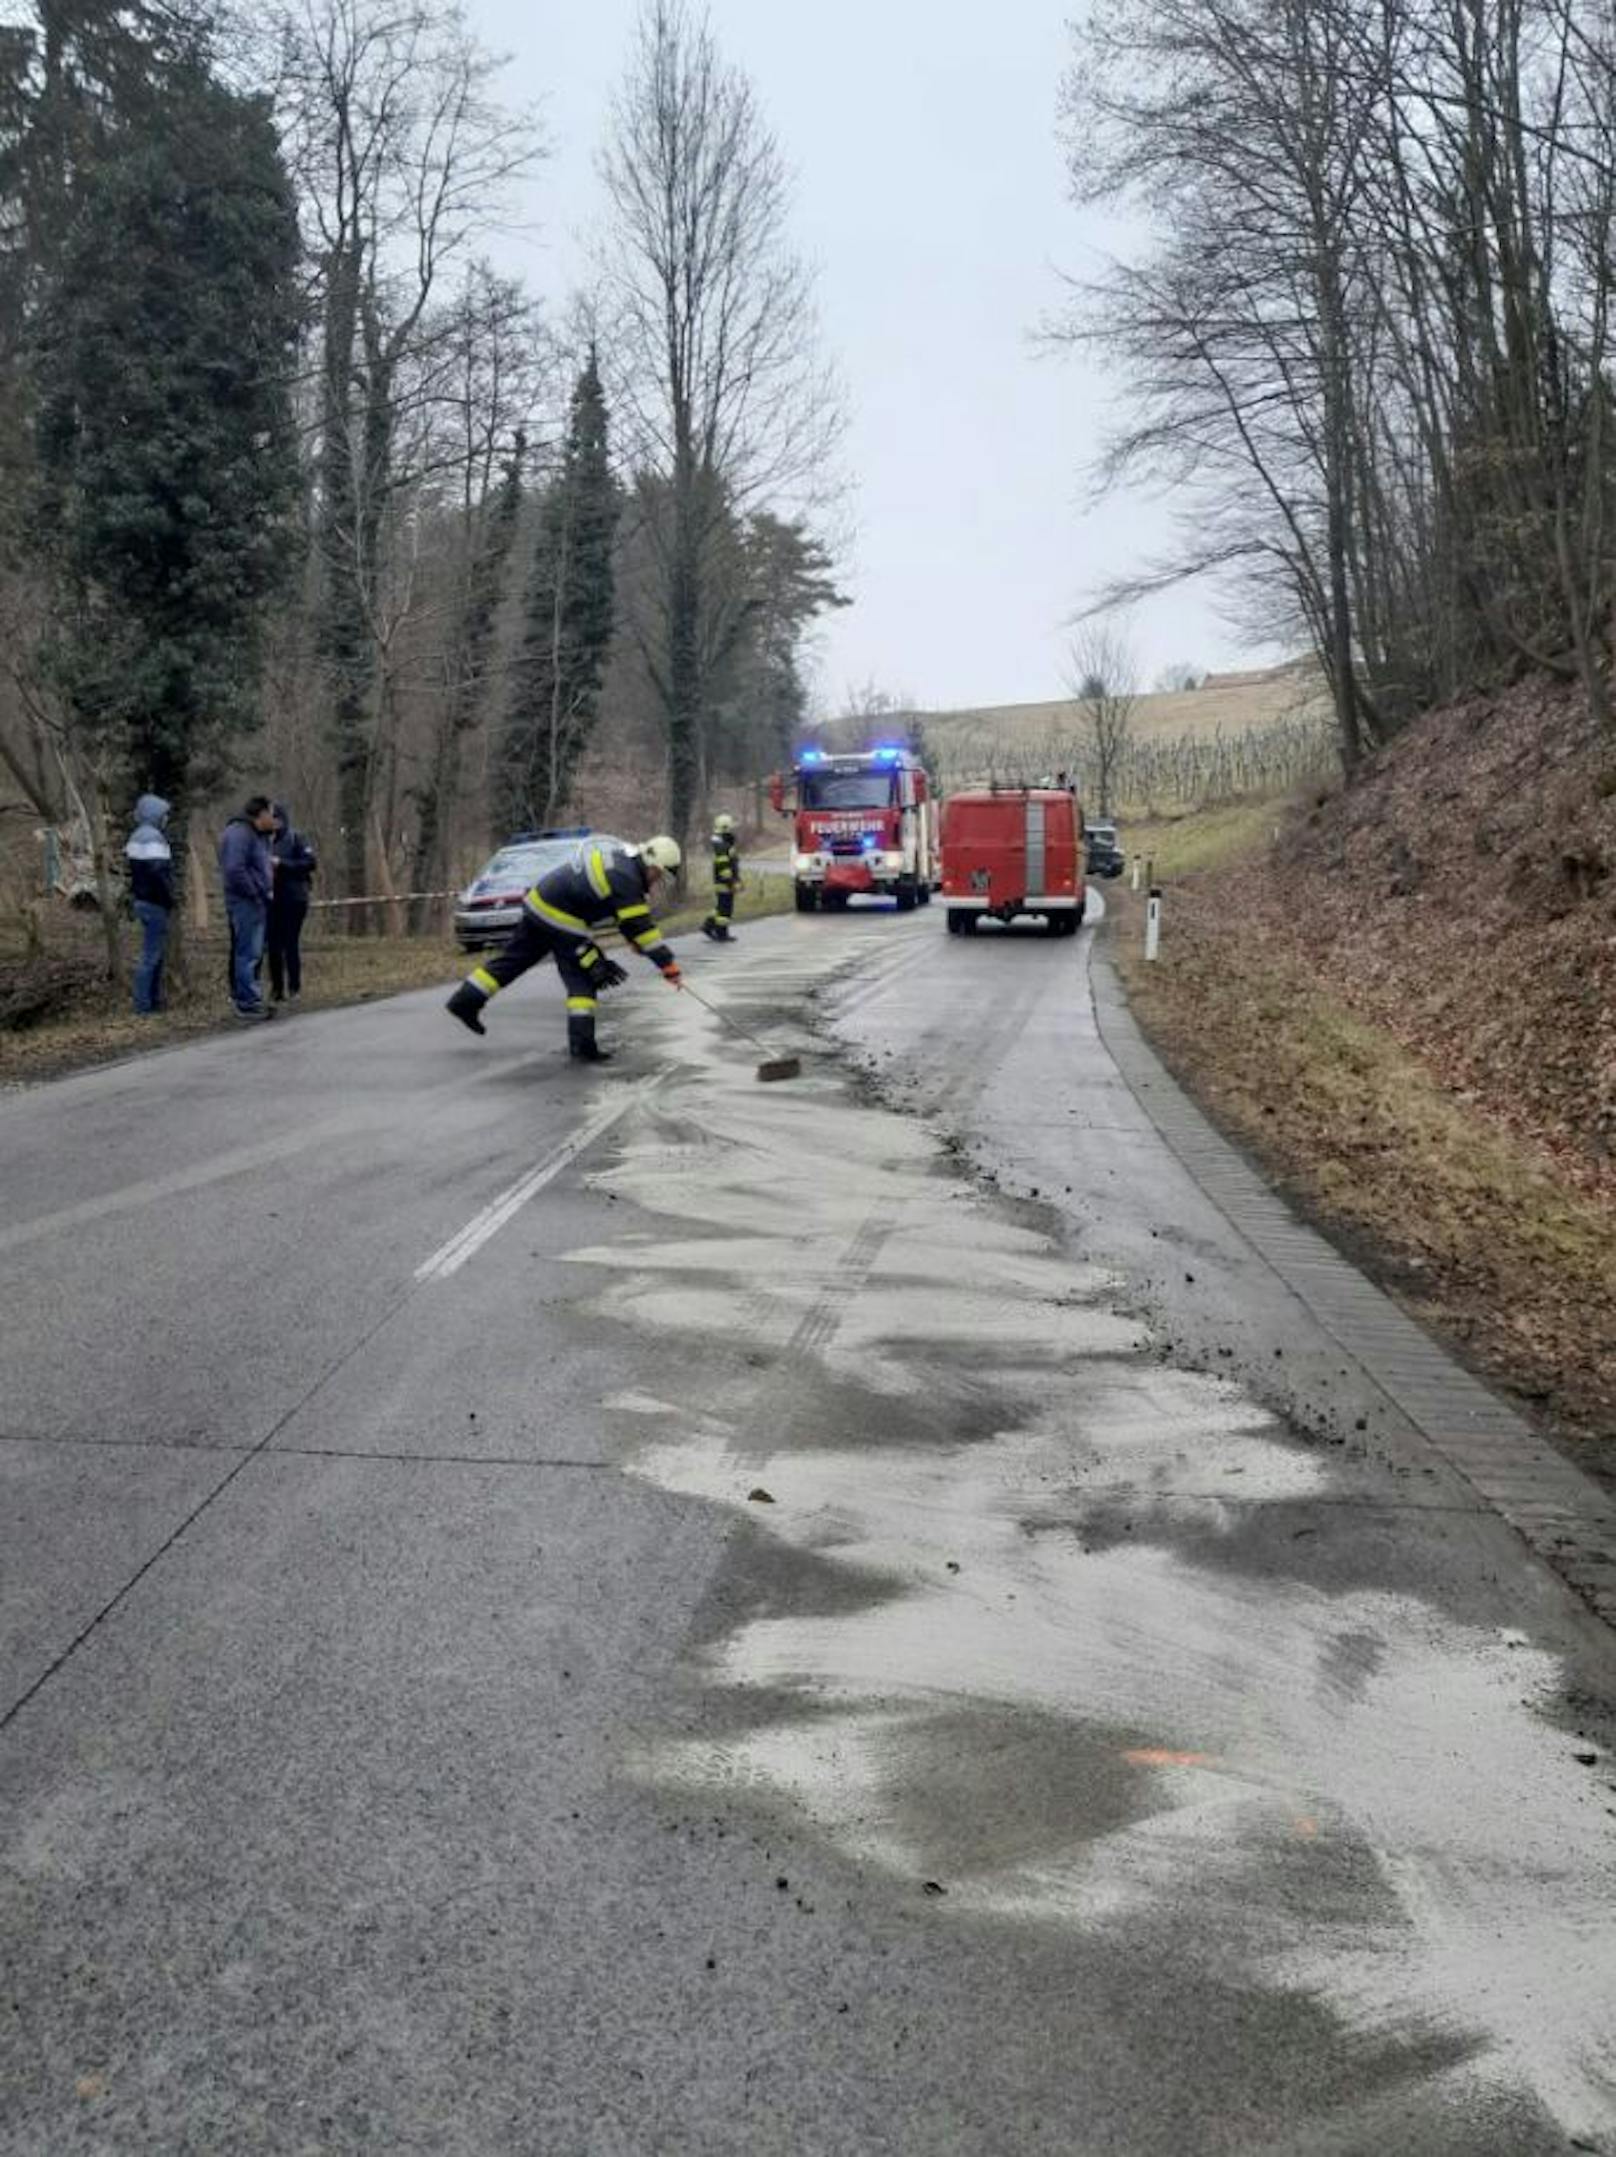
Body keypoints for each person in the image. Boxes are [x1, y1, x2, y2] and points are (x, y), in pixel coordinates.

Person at [446, 835, 684, 1063]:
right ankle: (582, 1046)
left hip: (539, 903)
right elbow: (643, 929)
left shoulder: (621, 864)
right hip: (560, 916)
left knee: (514, 960)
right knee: (584, 975)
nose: (656, 881)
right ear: (653, 865)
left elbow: (625, 917)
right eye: (659, 875)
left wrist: (634, 941)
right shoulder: (627, 879)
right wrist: (668, 965)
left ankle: (465, 1001)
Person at [218, 795, 277, 1021]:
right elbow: (234, 870)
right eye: (271, 814)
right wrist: (255, 892)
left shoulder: (257, 836)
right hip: (245, 902)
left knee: (253, 952)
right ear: (260, 814)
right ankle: (246, 1002)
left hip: (256, 902)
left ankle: (252, 997)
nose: (274, 819)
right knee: (247, 953)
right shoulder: (239, 834)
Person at [125, 793, 175, 1015]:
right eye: (164, 814)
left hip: (141, 900)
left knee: (154, 953)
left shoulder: (136, 836)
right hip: (154, 902)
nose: (167, 818)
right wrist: (169, 899)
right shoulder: (153, 837)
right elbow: (158, 873)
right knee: (151, 954)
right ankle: (144, 1005)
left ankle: (152, 1001)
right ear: (156, 814)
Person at [267, 803, 317, 1004]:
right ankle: (277, 989)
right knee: (272, 945)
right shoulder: (264, 841)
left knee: (290, 943)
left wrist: (282, 864)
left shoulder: (296, 838)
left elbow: (310, 863)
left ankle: (294, 987)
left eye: (276, 818)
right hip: (272, 899)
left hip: (294, 897)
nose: (274, 823)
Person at [702, 812, 742, 942]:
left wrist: (737, 879)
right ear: (726, 828)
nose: (733, 830)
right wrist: (731, 882)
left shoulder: (722, 843)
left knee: (721, 906)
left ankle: (708, 926)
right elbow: (724, 866)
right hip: (724, 882)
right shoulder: (722, 845)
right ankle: (721, 934)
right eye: (731, 827)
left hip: (723, 881)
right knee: (725, 910)